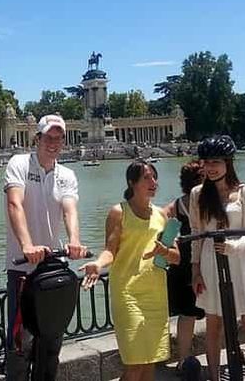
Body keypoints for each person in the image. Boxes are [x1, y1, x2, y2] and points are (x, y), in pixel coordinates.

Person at [4, 114, 88, 381]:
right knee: (21, 342)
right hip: (23, 268)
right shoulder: (18, 164)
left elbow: (69, 209)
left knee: (51, 341)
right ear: (37, 138)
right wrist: (27, 244)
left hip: (53, 267)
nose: (54, 142)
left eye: (59, 138)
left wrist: (74, 239)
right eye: (49, 137)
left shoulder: (67, 174)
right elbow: (14, 204)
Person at [80, 160, 179, 381]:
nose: (153, 182)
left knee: (150, 364)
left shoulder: (162, 216)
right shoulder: (119, 212)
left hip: (155, 294)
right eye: (146, 177)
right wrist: (98, 264)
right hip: (128, 293)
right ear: (131, 182)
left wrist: (164, 251)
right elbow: (110, 251)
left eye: (154, 177)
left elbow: (176, 256)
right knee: (134, 365)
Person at [190, 135, 245, 381]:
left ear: (228, 162)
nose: (211, 167)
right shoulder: (197, 194)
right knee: (213, 326)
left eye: (216, 161)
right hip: (211, 263)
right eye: (207, 162)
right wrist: (195, 270)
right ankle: (214, 377)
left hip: (242, 261)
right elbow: (196, 234)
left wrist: (234, 246)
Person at [162, 159, 206, 369]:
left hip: (183, 266)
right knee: (219, 310)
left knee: (186, 315)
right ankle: (232, 350)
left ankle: (182, 361)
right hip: (206, 262)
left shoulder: (174, 207)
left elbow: (164, 237)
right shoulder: (209, 203)